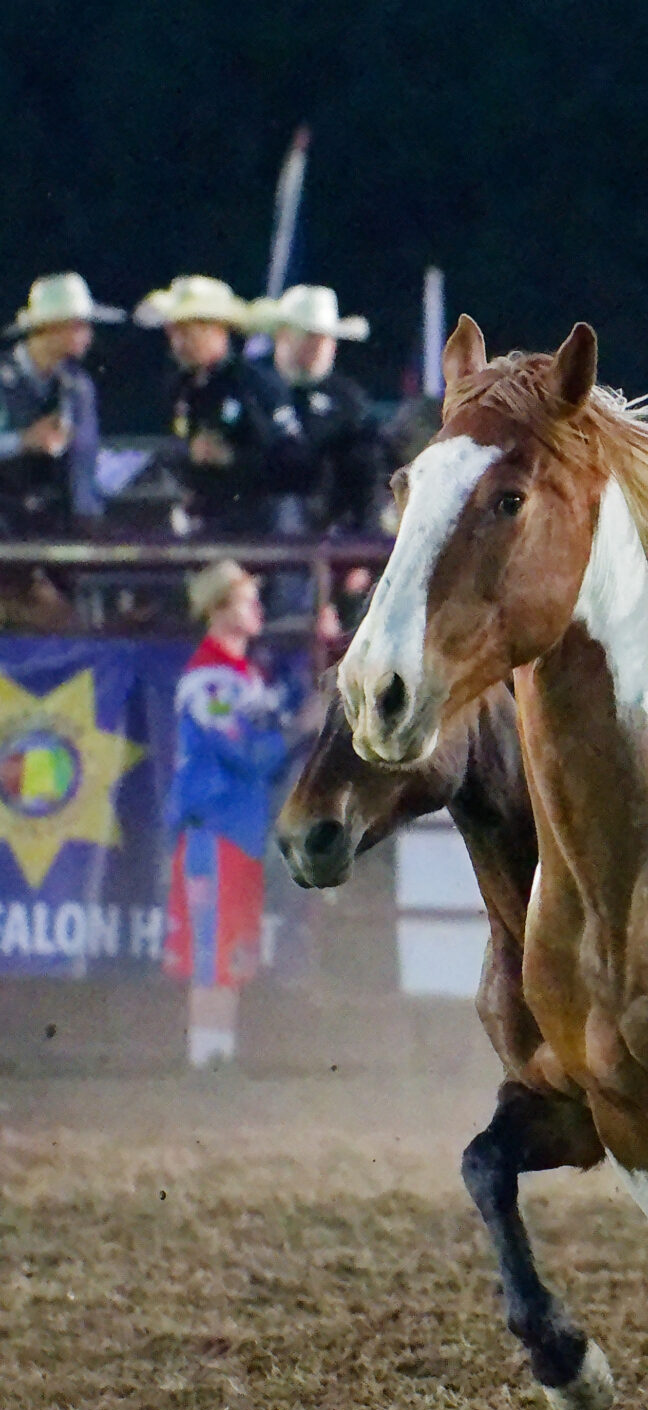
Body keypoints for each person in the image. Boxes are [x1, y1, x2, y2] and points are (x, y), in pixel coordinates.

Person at [166, 560, 298, 1068]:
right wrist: (298, 725)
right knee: (215, 955)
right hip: (216, 832)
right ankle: (207, 1061)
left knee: (228, 952)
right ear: (220, 609)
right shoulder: (212, 681)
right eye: (246, 600)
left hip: (235, 834)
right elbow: (248, 755)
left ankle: (215, 1059)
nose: (257, 608)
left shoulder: (240, 677)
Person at [135, 275, 301, 534]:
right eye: (173, 332)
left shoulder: (255, 384)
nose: (177, 343)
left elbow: (291, 464)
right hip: (208, 527)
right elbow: (175, 452)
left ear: (215, 330)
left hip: (262, 533)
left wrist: (232, 458)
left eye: (186, 332)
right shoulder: (181, 387)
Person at [254, 284, 386, 534]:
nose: (319, 346)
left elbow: (367, 477)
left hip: (331, 534)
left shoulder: (348, 400)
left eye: (326, 337)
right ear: (282, 335)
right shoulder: (253, 389)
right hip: (251, 532)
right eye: (308, 335)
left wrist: (359, 551)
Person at [0, 273, 117, 536]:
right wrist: (23, 442)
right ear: (50, 328)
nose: (87, 335)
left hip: (56, 526)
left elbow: (84, 460)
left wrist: (87, 518)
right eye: (78, 326)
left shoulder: (77, 386)